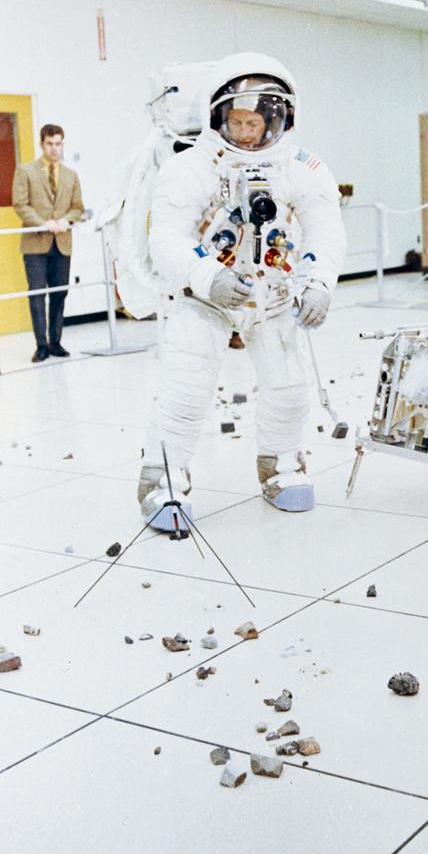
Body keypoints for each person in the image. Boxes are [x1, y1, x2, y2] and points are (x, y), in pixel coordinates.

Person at [138, 52, 345, 525]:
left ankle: (281, 467)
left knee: (288, 388)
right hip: (205, 296)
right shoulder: (192, 167)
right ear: (218, 119)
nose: (247, 134)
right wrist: (208, 276)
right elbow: (166, 239)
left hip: (273, 294)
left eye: (255, 123)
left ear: (277, 120)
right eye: (238, 122)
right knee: (187, 389)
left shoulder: (301, 167)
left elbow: (326, 231)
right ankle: (162, 482)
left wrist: (318, 284)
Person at [12, 124, 84, 362]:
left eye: (58, 144)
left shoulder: (71, 175)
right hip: (35, 242)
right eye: (50, 144)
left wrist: (65, 220)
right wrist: (43, 223)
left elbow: (78, 208)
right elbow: (20, 204)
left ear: (63, 144)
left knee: (59, 293)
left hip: (62, 242)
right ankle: (41, 345)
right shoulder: (25, 171)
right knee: (36, 295)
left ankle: (56, 342)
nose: (54, 149)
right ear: (41, 144)